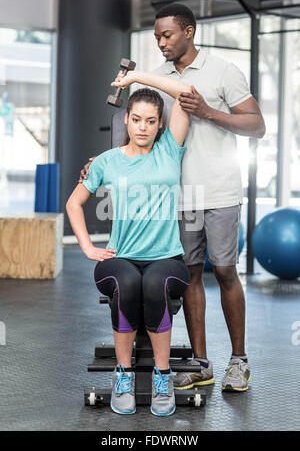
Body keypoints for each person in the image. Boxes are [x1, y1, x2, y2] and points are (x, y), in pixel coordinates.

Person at [79, 4, 266, 393]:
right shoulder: (160, 79)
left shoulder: (223, 71)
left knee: (227, 271)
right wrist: (105, 163)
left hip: (218, 189)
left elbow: (257, 125)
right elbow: (141, 132)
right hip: (175, 198)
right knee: (192, 275)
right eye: (157, 37)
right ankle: (201, 364)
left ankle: (239, 360)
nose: (161, 43)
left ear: (189, 32)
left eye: (167, 35)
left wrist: (212, 113)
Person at [66, 69, 193, 416]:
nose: (142, 127)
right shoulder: (106, 161)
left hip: (167, 258)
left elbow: (185, 91)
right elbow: (73, 203)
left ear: (160, 124)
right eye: (136, 119)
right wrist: (87, 247)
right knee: (127, 282)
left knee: (154, 283)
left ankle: (162, 376)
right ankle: (122, 374)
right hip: (119, 256)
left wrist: (137, 77)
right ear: (126, 120)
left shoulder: (170, 150)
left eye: (150, 121)